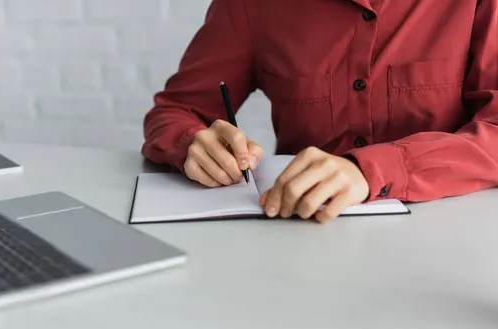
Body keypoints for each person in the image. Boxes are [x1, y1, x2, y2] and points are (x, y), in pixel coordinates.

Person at [141, 0, 498, 224]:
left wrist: (370, 170)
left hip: (450, 236)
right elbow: (176, 110)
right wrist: (192, 143)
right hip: (301, 234)